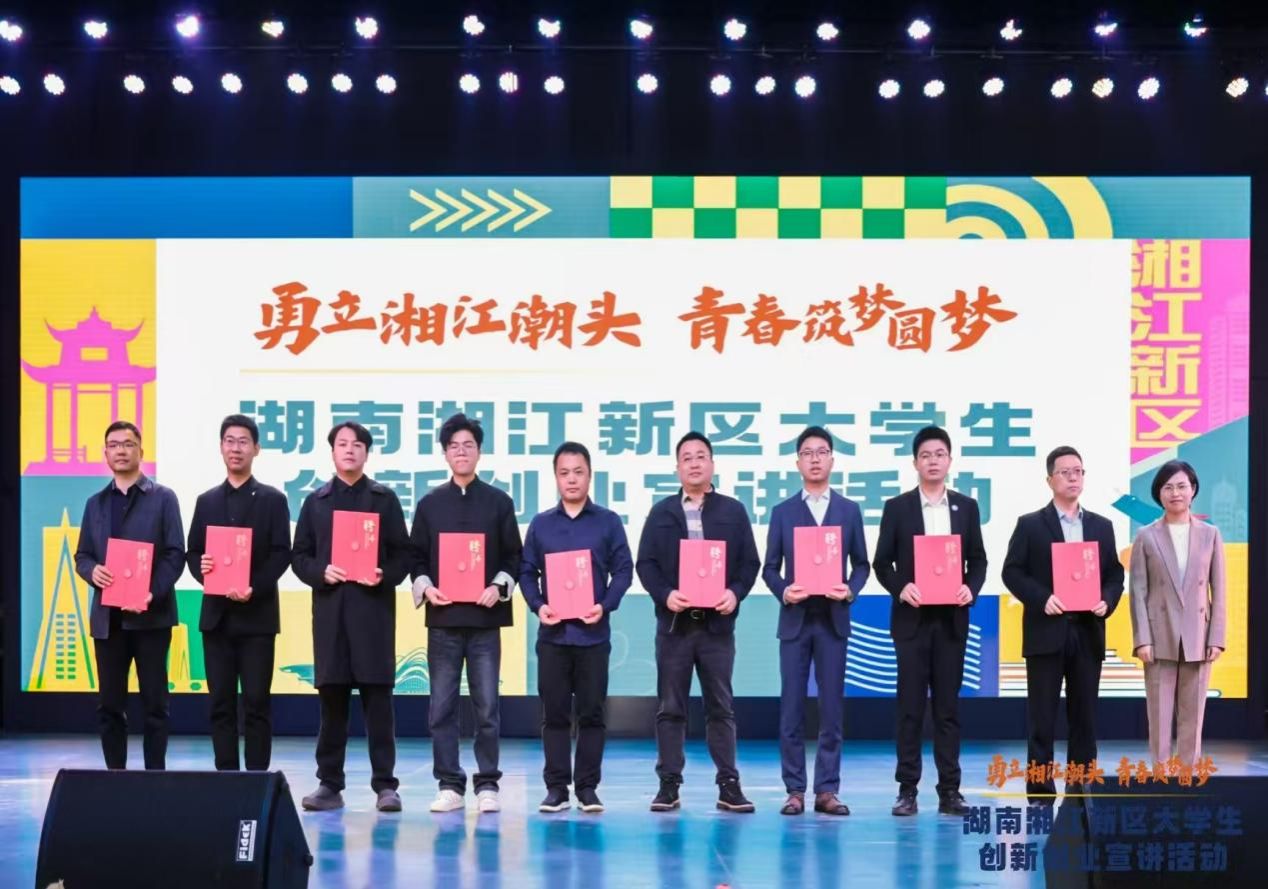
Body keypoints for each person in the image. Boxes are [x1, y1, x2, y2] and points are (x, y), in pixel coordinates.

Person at [636, 431, 761, 813]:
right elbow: (646, 563)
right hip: (675, 627)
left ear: (712, 464)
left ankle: (729, 784)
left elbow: (749, 563)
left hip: (716, 628)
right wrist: (665, 594)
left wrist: (735, 593)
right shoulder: (661, 512)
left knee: (720, 707)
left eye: (700, 456)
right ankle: (668, 784)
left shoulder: (732, 511)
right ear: (677, 468)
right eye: (686, 457)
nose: (694, 463)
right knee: (670, 708)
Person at [292, 421, 412, 812]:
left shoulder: (384, 499)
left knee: (378, 704)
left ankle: (385, 786)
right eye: (342, 444)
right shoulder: (316, 501)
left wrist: (383, 574)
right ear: (332, 452)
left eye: (357, 444)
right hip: (331, 615)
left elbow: (403, 555)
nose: (349, 450)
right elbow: (299, 556)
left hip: (373, 614)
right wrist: (320, 572)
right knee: (332, 704)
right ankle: (329, 784)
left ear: (366, 453)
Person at [410, 413, 522, 814]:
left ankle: (488, 784)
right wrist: (426, 587)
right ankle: (450, 785)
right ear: (445, 453)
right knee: (441, 708)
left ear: (479, 452)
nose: (461, 452)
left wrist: (498, 587)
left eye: (468, 445)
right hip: (443, 622)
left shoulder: (499, 502)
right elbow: (415, 558)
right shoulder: (429, 504)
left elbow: (514, 557)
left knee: (487, 707)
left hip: (484, 622)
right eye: (454, 446)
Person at [873, 425, 987, 816]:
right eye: (926, 455)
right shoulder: (898, 508)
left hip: (951, 621)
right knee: (909, 709)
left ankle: (950, 790)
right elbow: (881, 563)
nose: (933, 461)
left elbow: (978, 560)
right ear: (915, 463)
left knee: (947, 709)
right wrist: (901, 587)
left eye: (939, 454)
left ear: (949, 460)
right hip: (912, 621)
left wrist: (970, 587)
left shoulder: (966, 507)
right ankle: (907, 790)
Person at [1001, 446, 1124, 803]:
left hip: (1087, 631)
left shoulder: (1101, 526)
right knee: (1042, 719)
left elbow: (1114, 574)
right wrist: (1042, 598)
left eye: (1078, 471)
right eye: (1065, 472)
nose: (1073, 478)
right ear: (1049, 479)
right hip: (1046, 631)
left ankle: (1081, 790)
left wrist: (1107, 599)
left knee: (1084, 718)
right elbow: (1012, 571)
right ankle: (1040, 794)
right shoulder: (1030, 524)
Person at [519, 441, 633, 814]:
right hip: (553, 636)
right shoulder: (541, 524)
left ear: (590, 475)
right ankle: (556, 788)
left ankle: (587, 788)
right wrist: (539, 605)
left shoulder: (608, 522)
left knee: (592, 715)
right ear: (556, 477)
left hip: (593, 636)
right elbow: (526, 572)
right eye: (564, 472)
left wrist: (605, 605)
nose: (571, 479)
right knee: (553, 715)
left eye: (578, 472)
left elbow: (624, 570)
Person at [762, 425, 869, 816]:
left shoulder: (849, 510)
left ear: (832, 460)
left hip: (833, 621)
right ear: (798, 463)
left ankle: (826, 789)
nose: (815, 459)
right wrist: (784, 590)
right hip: (795, 620)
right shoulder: (783, 512)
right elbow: (769, 568)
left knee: (831, 709)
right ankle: (794, 790)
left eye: (821, 452)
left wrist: (850, 590)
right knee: (791, 709)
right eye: (807, 453)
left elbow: (862, 564)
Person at [74, 420, 185, 770]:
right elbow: (82, 555)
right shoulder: (95, 504)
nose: (120, 451)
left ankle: (155, 777)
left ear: (141, 451)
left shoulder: (163, 498)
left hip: (151, 617)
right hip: (109, 621)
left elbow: (175, 554)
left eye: (128, 444)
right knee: (109, 705)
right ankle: (115, 778)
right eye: (114, 445)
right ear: (105, 453)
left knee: (155, 705)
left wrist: (151, 592)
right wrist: (92, 571)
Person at [185, 413, 292, 771]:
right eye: (229, 441)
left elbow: (282, 553)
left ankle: (258, 778)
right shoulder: (207, 501)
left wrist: (253, 587)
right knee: (220, 703)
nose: (236, 448)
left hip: (257, 618)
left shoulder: (273, 500)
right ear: (221, 447)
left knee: (257, 703)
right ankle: (226, 776)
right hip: (216, 619)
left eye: (243, 441)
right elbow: (193, 552)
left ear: (256, 449)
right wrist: (204, 570)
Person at [1129, 460, 1226, 765]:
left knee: (1193, 714)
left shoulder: (1210, 534)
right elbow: (1138, 591)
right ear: (1159, 494)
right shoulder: (1146, 535)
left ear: (1193, 489)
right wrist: (1142, 639)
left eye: (1182, 486)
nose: (1175, 493)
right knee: (1158, 715)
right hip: (1159, 637)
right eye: (1168, 487)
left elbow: (1219, 589)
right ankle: (1160, 774)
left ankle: (1188, 775)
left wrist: (1217, 637)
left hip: (1198, 634)